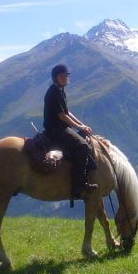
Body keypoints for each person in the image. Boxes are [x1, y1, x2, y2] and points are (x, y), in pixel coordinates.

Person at [43, 64, 98, 198]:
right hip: (56, 129)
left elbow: (67, 112)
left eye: (66, 75)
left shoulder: (59, 90)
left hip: (59, 127)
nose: (65, 78)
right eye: (62, 75)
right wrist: (79, 127)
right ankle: (79, 185)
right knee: (83, 146)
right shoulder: (54, 92)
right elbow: (61, 115)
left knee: (83, 137)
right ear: (56, 77)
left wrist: (82, 125)